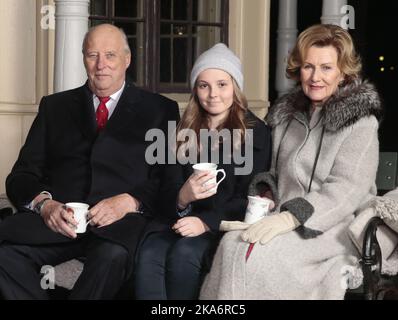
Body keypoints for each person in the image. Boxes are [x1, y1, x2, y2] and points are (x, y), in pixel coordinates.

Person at [200, 24, 383, 300]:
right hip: (280, 220)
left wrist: (292, 217)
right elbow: (272, 172)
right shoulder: (285, 118)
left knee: (265, 257)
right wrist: (264, 197)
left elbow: (347, 190)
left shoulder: (361, 123)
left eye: (326, 68)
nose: (315, 77)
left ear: (343, 72)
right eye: (308, 67)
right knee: (231, 245)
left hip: (334, 226)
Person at [0, 24, 180, 299]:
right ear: (83, 59)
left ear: (127, 59)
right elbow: (21, 176)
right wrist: (45, 205)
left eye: (110, 55)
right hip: (57, 225)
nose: (100, 65)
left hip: (118, 229)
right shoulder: (54, 107)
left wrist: (129, 201)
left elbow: (166, 180)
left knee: (112, 257)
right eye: (92, 55)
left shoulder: (160, 110)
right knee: (5, 256)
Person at [134, 43, 272, 299]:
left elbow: (250, 197)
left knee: (185, 254)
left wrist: (205, 222)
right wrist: (182, 197)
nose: (213, 94)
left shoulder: (255, 132)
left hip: (223, 226)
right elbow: (162, 190)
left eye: (222, 84)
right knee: (150, 254)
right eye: (203, 85)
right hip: (173, 222)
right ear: (195, 90)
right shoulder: (180, 130)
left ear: (235, 87)